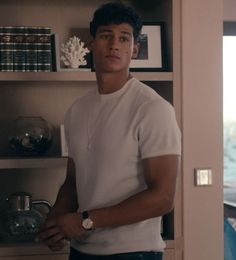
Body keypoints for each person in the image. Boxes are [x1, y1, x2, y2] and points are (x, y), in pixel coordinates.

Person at [37, 2, 181, 260]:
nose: (114, 45)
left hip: (134, 253)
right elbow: (73, 183)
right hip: (81, 251)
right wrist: (55, 222)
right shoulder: (76, 111)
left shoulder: (153, 108)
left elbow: (163, 197)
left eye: (124, 38)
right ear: (91, 44)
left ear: (134, 49)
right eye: (106, 36)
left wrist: (84, 222)